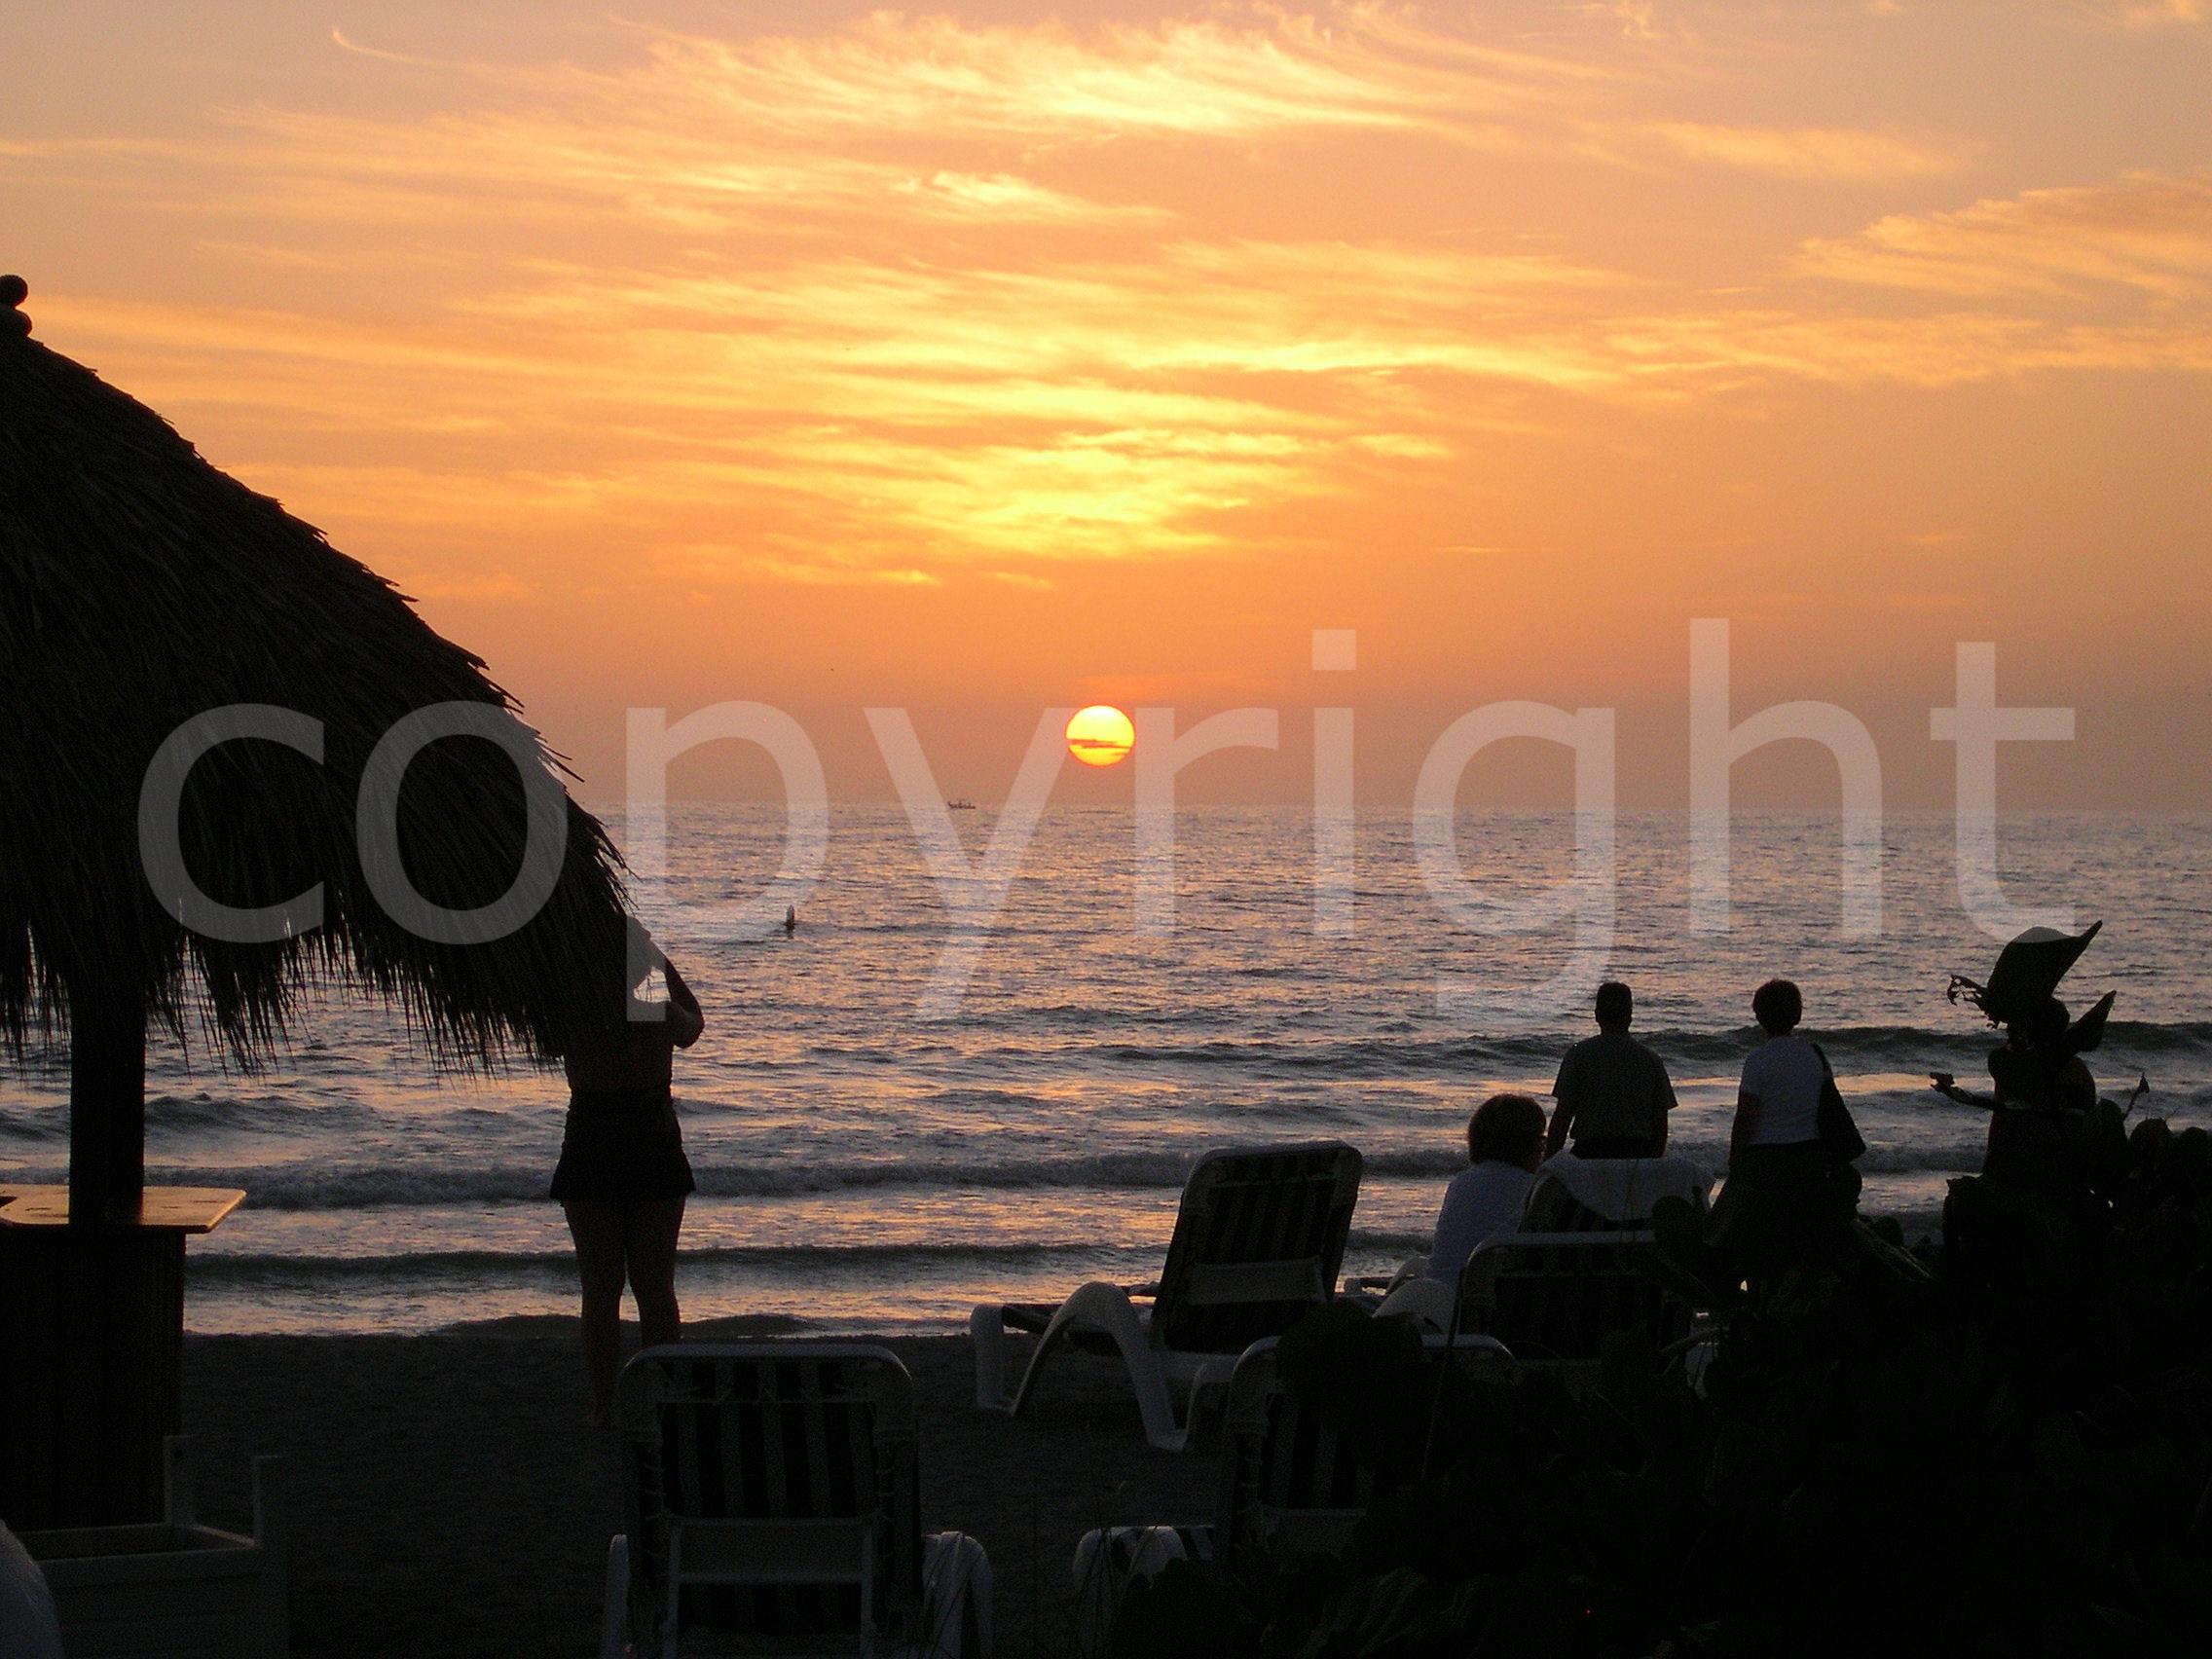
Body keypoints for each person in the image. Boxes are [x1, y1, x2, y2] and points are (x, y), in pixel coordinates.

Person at [550, 921, 704, 1427]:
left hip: (597, 1134)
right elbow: (693, 1026)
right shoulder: (651, 1003)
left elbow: (544, 1036)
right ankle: (658, 1398)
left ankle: (605, 1405)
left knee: (601, 1286)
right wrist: (657, 964)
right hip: (645, 1135)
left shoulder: (571, 996)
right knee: (653, 1284)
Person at [1709, 978, 1855, 1281]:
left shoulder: (1758, 1060)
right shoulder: (1815, 1055)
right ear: (1798, 1015)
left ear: (1758, 1016)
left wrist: (1735, 1157)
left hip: (1766, 1161)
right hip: (1810, 1158)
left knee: (1738, 1236)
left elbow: (1746, 1115)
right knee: (1803, 1243)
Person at [1933, 994, 2096, 1202]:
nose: (2010, 1034)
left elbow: (2020, 1116)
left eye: (2016, 1029)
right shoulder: (2075, 1069)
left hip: (2026, 1172)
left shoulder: (2019, 1068)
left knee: (1959, 1200)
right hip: (2059, 1175)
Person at [1426, 1093, 1548, 1285]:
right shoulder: (1533, 1190)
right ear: (1527, 1143)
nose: (1543, 1149)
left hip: (1437, 1292)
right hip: (1483, 1299)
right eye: (1540, 1139)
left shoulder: (1461, 1183)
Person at [1546, 981, 1676, 1160]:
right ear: (1629, 1015)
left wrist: (1549, 1162)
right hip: (1636, 1154)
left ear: (1597, 1015)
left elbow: (1562, 1116)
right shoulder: (1650, 1059)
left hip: (1589, 1154)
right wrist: (1652, 1163)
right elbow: (1660, 1122)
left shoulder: (1579, 1055)